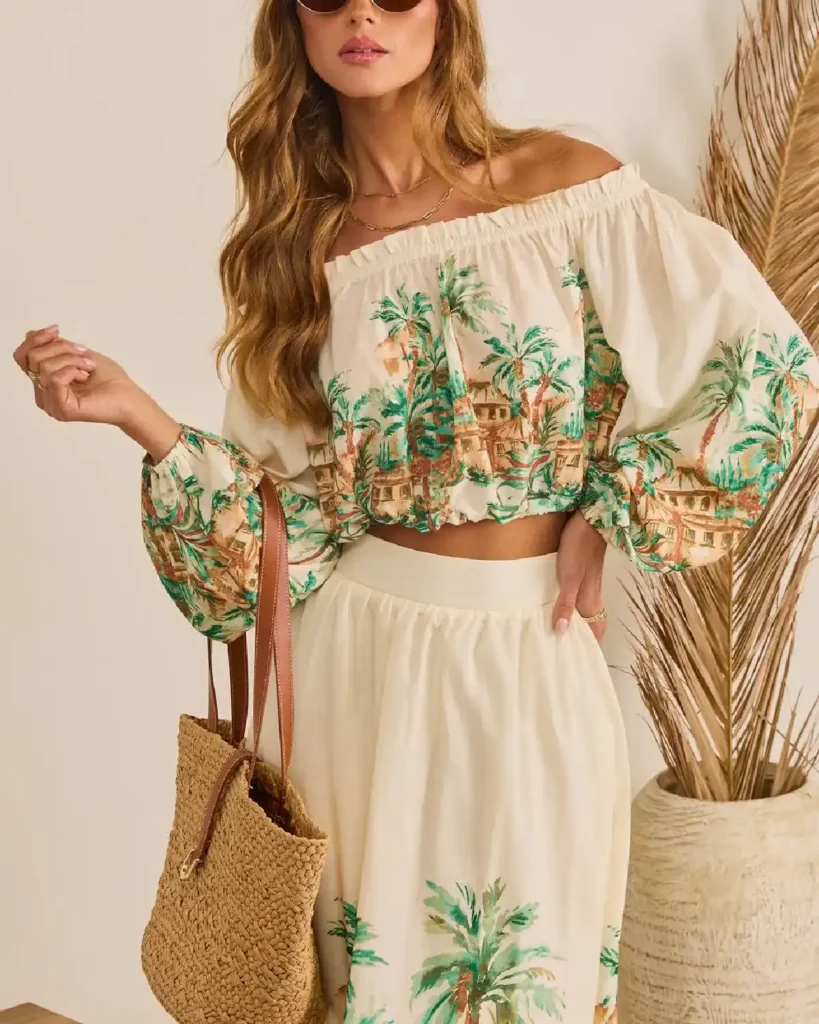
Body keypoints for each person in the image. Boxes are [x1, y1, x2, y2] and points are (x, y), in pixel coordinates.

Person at [14, 0, 819, 1021]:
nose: (362, 12)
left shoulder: (571, 193)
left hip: (533, 656)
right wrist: (142, 418)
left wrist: (613, 509)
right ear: (292, 21)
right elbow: (277, 541)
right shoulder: (296, 253)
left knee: (543, 978)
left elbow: (771, 375)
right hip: (357, 668)